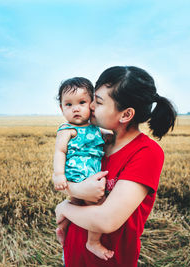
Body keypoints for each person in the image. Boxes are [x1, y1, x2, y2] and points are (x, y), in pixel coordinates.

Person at [55, 66, 177, 266]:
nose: (90, 105)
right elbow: (71, 178)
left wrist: (65, 208)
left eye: (99, 102)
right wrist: (74, 190)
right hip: (74, 253)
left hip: (110, 260)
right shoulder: (97, 143)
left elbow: (107, 220)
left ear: (126, 114)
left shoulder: (146, 153)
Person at [52, 77, 114, 260]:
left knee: (76, 203)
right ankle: (93, 242)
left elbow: (103, 136)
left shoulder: (94, 128)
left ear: (92, 105)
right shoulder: (67, 130)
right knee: (97, 204)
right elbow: (60, 152)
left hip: (90, 172)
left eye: (81, 102)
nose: (75, 108)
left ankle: (62, 227)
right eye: (68, 105)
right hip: (79, 175)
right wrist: (58, 175)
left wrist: (110, 135)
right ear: (62, 109)